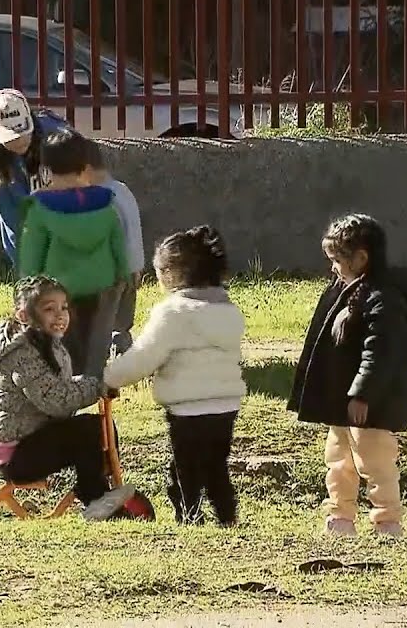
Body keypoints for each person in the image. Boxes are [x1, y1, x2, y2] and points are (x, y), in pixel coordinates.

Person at [288, 213, 407, 538]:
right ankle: (340, 517)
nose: (333, 267)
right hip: (344, 400)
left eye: (337, 260)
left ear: (361, 258)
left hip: (371, 404)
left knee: (376, 462)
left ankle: (387, 522)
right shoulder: (349, 290)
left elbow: (381, 354)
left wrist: (363, 393)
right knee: (339, 459)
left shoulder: (384, 299)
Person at [104, 226, 246, 526]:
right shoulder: (228, 310)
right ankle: (226, 516)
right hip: (226, 406)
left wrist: (108, 378)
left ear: (170, 274)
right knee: (216, 466)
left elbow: (144, 356)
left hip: (187, 407)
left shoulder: (173, 312)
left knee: (185, 468)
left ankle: (190, 516)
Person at [0, 275, 134, 521]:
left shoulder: (47, 344)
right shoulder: (22, 355)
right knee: (87, 430)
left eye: (64, 307)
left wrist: (92, 383)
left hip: (31, 437)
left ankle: (94, 487)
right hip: (17, 453)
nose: (60, 315)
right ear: (24, 316)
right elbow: (54, 400)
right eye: (49, 309)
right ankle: (94, 496)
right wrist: (95, 387)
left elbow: (56, 386)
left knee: (96, 429)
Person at [17, 131, 128, 377]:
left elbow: (32, 257)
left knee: (59, 349)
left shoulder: (41, 208)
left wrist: (25, 294)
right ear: (84, 164)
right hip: (102, 285)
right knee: (95, 347)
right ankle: (95, 392)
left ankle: (67, 392)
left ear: (45, 166)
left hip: (58, 292)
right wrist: (123, 276)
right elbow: (118, 244)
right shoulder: (105, 203)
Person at [0, 89, 71, 265]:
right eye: (10, 137)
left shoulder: (59, 137)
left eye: (22, 131)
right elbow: (9, 215)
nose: (19, 140)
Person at [86, 149, 145, 356]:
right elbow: (134, 230)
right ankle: (125, 354)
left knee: (103, 321)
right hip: (131, 267)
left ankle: (107, 361)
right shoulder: (122, 189)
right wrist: (137, 266)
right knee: (122, 321)